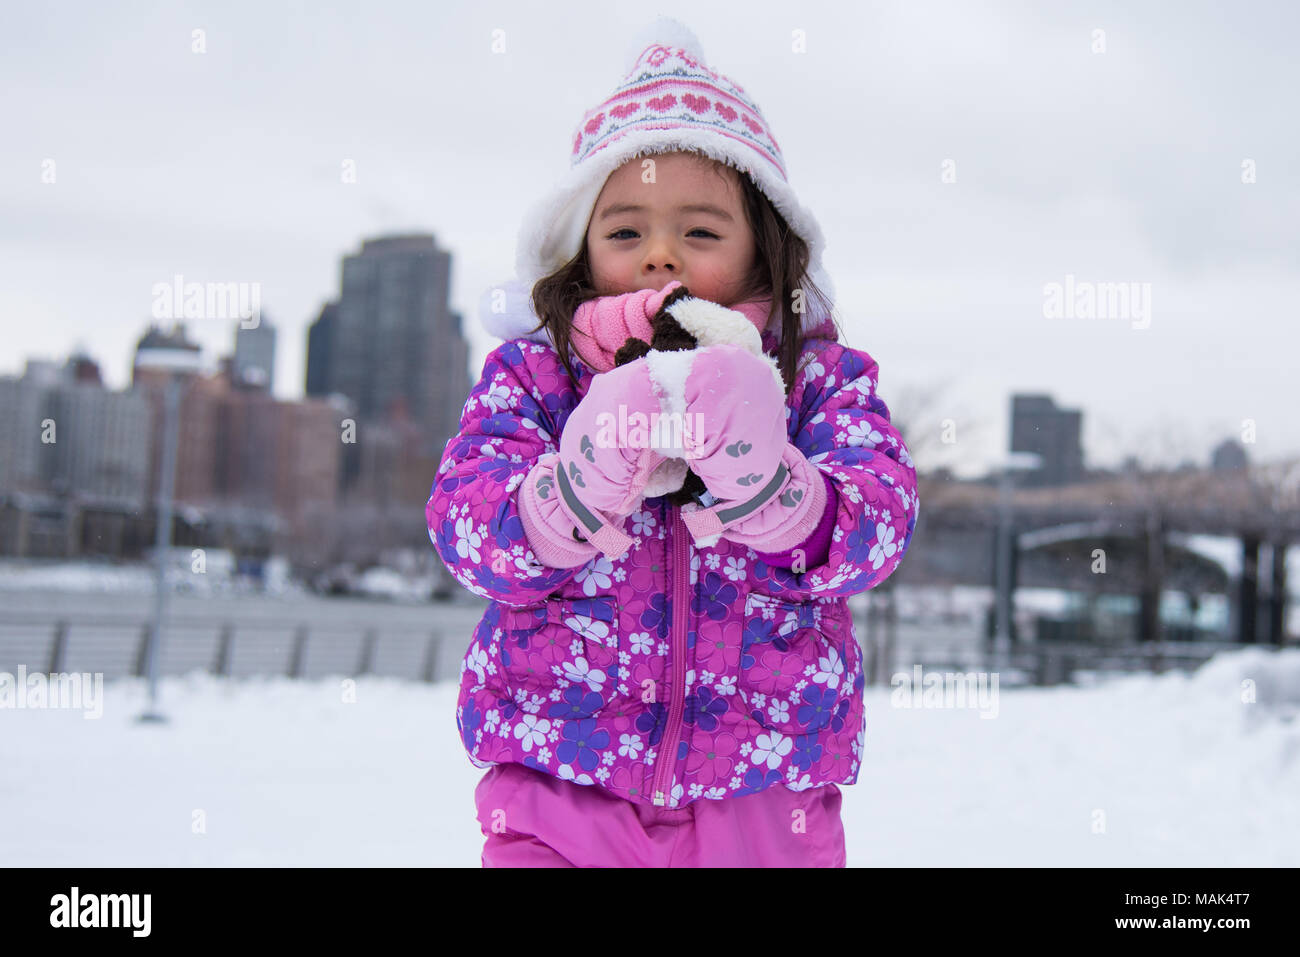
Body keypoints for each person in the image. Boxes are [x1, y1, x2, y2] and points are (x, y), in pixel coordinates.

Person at [426, 17, 919, 867]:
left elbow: (878, 525)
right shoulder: (534, 379)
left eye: (699, 232)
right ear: (578, 251)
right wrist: (572, 485)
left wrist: (773, 485)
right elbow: (470, 531)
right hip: (560, 774)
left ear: (764, 251)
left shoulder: (816, 381)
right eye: (625, 233)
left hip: (766, 788)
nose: (660, 255)